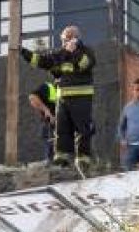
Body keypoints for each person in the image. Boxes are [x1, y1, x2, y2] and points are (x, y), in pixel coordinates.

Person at [21, 25, 96, 166]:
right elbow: (42, 60)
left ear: (75, 39)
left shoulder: (86, 51)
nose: (63, 42)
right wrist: (23, 52)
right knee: (62, 128)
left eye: (66, 39)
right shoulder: (59, 54)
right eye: (63, 39)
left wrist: (74, 51)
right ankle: (62, 156)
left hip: (81, 96)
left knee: (82, 128)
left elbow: (85, 64)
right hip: (62, 98)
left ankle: (83, 158)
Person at [28, 79, 57, 163]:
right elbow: (32, 97)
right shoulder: (48, 87)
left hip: (62, 125)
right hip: (50, 124)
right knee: (51, 149)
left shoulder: (65, 89)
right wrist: (46, 110)